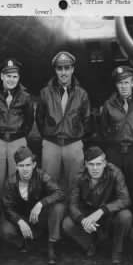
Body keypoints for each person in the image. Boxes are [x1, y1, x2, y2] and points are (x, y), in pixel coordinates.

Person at [63, 146, 132, 264]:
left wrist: (101, 211)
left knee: (126, 216)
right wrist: (82, 219)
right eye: (91, 164)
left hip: (109, 215)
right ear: (86, 164)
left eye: (98, 164)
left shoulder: (115, 173)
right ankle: (90, 244)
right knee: (67, 224)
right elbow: (72, 205)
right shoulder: (79, 176)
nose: (95, 168)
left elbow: (125, 199)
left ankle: (117, 250)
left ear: (105, 163)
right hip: (88, 215)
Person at [35, 51, 90, 196]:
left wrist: (76, 136)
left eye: (67, 68)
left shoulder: (82, 94)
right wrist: (49, 135)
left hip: (73, 144)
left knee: (76, 185)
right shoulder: (45, 93)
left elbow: (87, 119)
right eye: (60, 69)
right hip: (51, 144)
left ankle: (73, 216)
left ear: (72, 69)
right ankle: (53, 215)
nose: (63, 72)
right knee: (49, 184)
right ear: (55, 70)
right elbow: (39, 118)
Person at [0, 146, 65, 265]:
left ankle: (52, 244)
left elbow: (59, 193)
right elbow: (7, 207)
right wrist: (20, 221)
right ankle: (25, 242)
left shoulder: (41, 176)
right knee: (5, 229)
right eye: (21, 166)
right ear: (16, 167)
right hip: (23, 218)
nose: (25, 169)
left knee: (58, 208)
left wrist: (41, 203)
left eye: (28, 165)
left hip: (39, 217)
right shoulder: (11, 182)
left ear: (34, 165)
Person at [101, 66, 133, 215]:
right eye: (120, 83)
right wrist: (112, 145)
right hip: (114, 153)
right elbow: (103, 130)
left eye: (126, 82)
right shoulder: (108, 104)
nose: (123, 86)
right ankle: (116, 222)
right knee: (113, 189)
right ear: (116, 85)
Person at [0, 58, 35, 199]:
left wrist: (19, 134)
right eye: (8, 76)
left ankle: (14, 215)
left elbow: (29, 119)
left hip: (17, 141)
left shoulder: (25, 96)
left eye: (15, 77)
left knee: (17, 180)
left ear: (18, 78)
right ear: (2, 76)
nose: (11, 80)